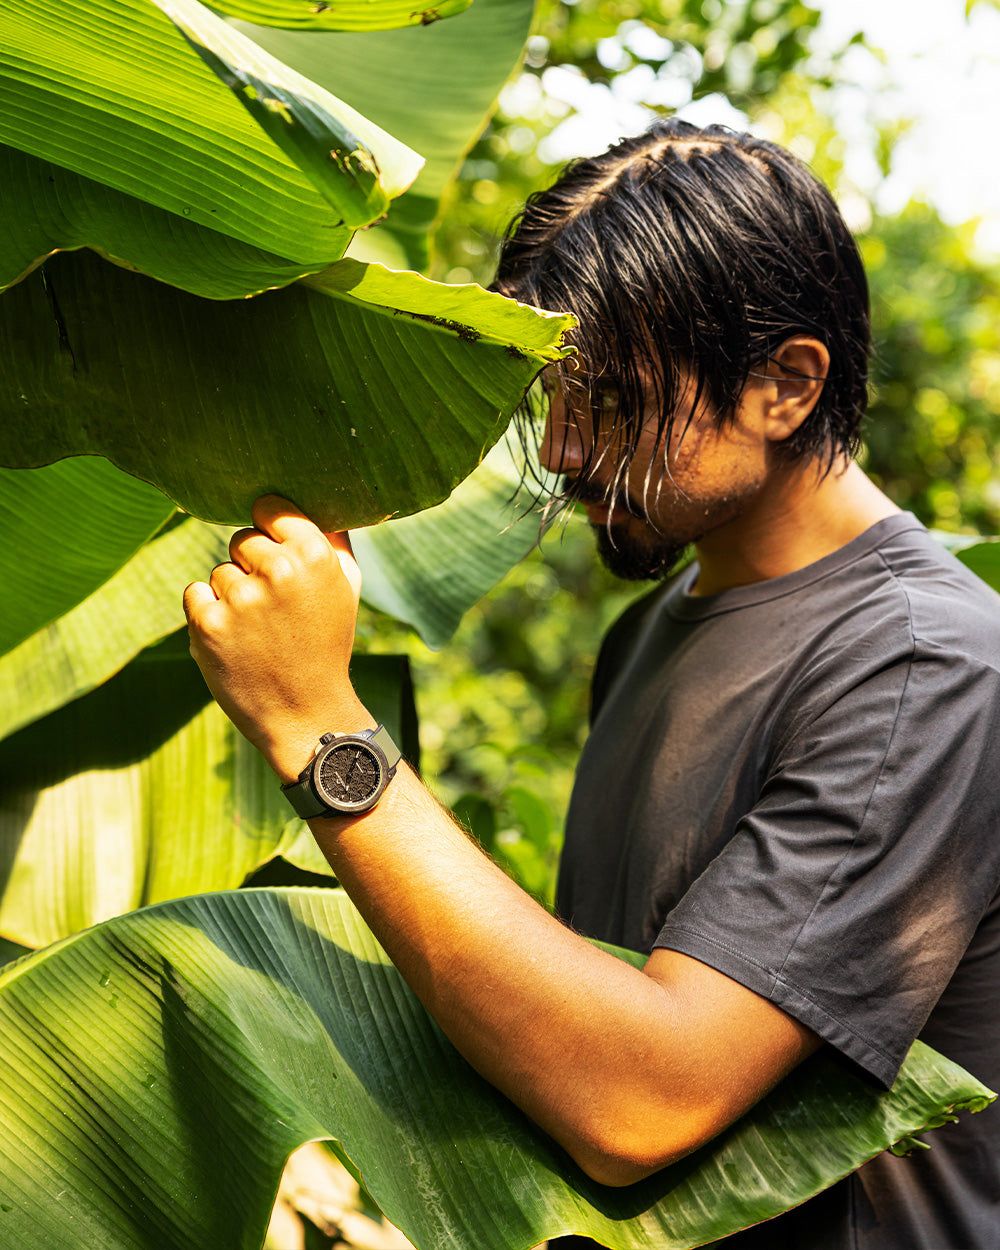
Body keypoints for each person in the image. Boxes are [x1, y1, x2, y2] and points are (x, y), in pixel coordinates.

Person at [183, 120, 1000, 1248]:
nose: (566, 449)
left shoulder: (923, 668)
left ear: (785, 385)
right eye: (553, 397)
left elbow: (642, 1097)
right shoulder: (653, 627)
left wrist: (315, 721)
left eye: (612, 400)